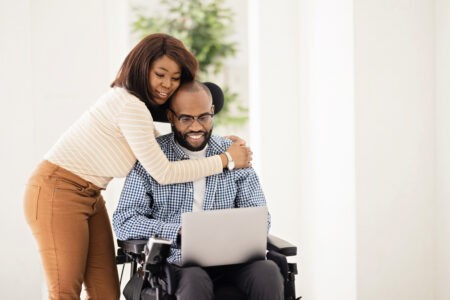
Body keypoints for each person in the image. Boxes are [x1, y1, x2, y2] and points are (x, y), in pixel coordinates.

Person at [23, 33, 252, 300]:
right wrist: (227, 160)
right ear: (143, 68)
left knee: (106, 294)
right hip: (57, 190)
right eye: (160, 74)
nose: (167, 84)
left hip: (90, 196)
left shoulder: (137, 110)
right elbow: (164, 171)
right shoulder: (129, 106)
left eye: (175, 78)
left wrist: (217, 143)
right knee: (64, 292)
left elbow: (169, 152)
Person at [113, 81, 284, 300]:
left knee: (267, 272)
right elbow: (124, 221)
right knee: (195, 280)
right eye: (186, 118)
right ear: (171, 117)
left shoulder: (233, 154)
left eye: (203, 117)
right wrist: (176, 231)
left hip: (234, 260)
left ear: (212, 112)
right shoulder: (153, 158)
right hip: (179, 261)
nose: (196, 127)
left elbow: (261, 218)